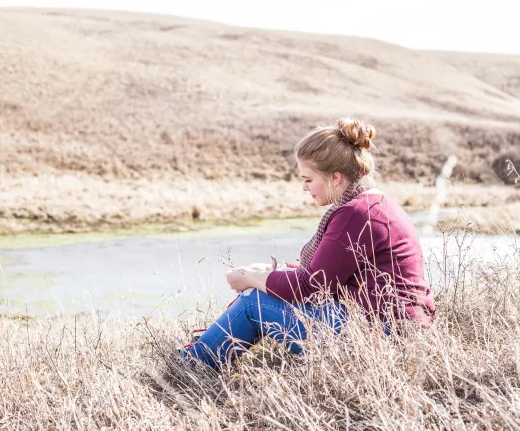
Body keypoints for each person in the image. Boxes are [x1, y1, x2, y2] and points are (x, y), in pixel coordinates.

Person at [181, 118, 436, 368]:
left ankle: (192, 365)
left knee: (253, 302)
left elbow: (311, 287)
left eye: (308, 179)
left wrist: (249, 278)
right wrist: (274, 272)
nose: (304, 188)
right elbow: (330, 274)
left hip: (379, 337)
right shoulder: (375, 204)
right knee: (262, 289)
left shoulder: (356, 214)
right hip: (397, 330)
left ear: (335, 178)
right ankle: (203, 351)